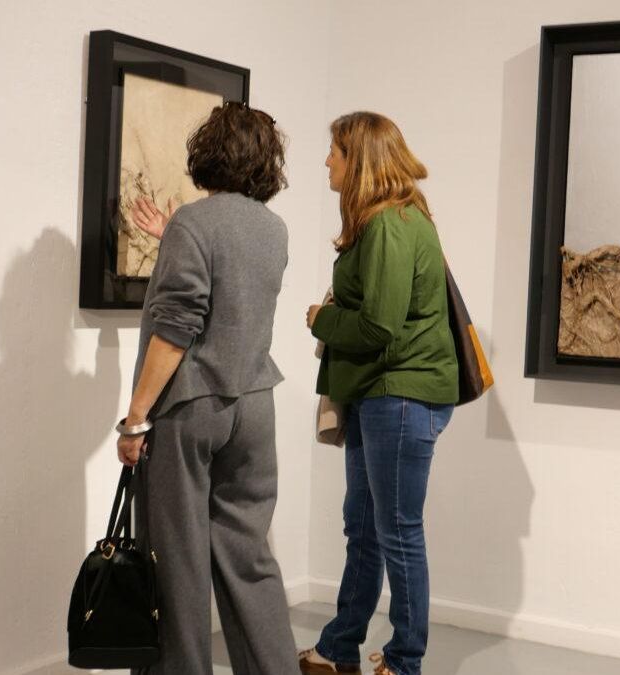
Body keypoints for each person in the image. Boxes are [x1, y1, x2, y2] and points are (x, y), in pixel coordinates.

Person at [116, 101, 296, 675]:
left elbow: (176, 330)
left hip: (191, 408)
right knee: (248, 557)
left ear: (207, 154)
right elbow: (232, 285)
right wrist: (175, 235)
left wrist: (137, 415)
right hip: (253, 405)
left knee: (177, 562)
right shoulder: (272, 228)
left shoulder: (196, 223)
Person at [300, 112, 458, 675]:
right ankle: (340, 646)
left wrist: (321, 320)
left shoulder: (391, 224)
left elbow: (379, 327)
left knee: (397, 532)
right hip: (382, 394)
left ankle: (404, 660)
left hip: (402, 396)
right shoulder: (390, 219)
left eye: (335, 152)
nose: (327, 161)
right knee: (365, 527)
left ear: (359, 159)